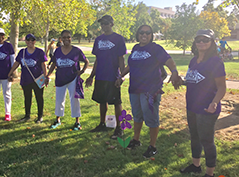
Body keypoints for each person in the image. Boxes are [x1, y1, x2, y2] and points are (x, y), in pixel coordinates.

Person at [115, 25, 181, 158]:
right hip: (135, 88)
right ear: (137, 34)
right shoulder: (135, 48)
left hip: (150, 90)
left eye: (147, 33)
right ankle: (136, 140)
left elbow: (169, 60)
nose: (144, 35)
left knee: (151, 118)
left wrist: (174, 71)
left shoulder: (155, 48)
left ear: (151, 35)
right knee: (137, 115)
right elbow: (130, 65)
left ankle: (152, 146)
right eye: (141, 32)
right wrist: (121, 76)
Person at [179, 29, 226, 177]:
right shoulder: (193, 60)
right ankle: (195, 165)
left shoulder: (215, 62)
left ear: (212, 42)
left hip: (207, 108)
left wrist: (214, 102)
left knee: (207, 140)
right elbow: (194, 80)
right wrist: (182, 81)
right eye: (198, 40)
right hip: (192, 106)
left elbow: (222, 87)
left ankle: (209, 173)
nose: (201, 42)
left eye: (205, 40)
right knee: (194, 136)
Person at [85, 15, 126, 139]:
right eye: (102, 24)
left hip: (113, 76)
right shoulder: (98, 40)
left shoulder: (119, 39)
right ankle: (102, 124)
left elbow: (121, 59)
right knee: (102, 101)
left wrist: (121, 76)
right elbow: (97, 59)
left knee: (116, 102)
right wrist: (92, 76)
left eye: (106, 23)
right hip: (101, 76)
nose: (104, 26)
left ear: (112, 24)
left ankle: (119, 128)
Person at [46, 30, 89, 130]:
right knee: (59, 100)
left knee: (74, 100)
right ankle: (57, 120)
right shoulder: (57, 51)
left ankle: (77, 122)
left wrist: (82, 71)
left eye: (68, 37)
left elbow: (86, 61)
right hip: (60, 79)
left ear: (71, 38)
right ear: (61, 39)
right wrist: (48, 75)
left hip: (73, 78)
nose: (66, 39)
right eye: (64, 37)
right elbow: (53, 64)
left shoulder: (76, 50)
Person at [7, 34, 47, 123]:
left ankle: (40, 116)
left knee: (39, 98)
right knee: (27, 98)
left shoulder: (40, 52)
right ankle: (27, 115)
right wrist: (10, 73)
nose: (30, 42)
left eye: (32, 40)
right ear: (25, 41)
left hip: (38, 79)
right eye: (28, 40)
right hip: (26, 79)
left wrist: (46, 76)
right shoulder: (22, 52)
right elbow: (17, 63)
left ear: (35, 41)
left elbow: (43, 65)